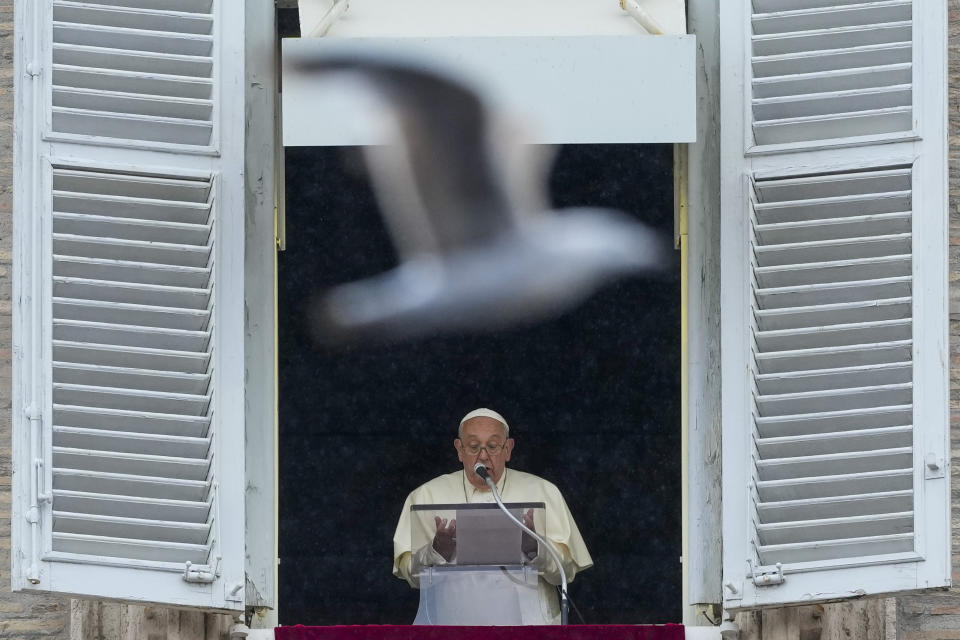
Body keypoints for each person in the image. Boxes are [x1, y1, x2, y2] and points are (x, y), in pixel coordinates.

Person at [392, 408, 593, 624]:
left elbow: (566, 574)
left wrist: (535, 549)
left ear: (508, 449)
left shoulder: (543, 492)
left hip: (529, 629)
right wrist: (435, 552)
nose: (483, 455)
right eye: (473, 447)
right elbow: (411, 577)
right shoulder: (426, 496)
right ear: (459, 450)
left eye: (493, 446)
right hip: (453, 627)